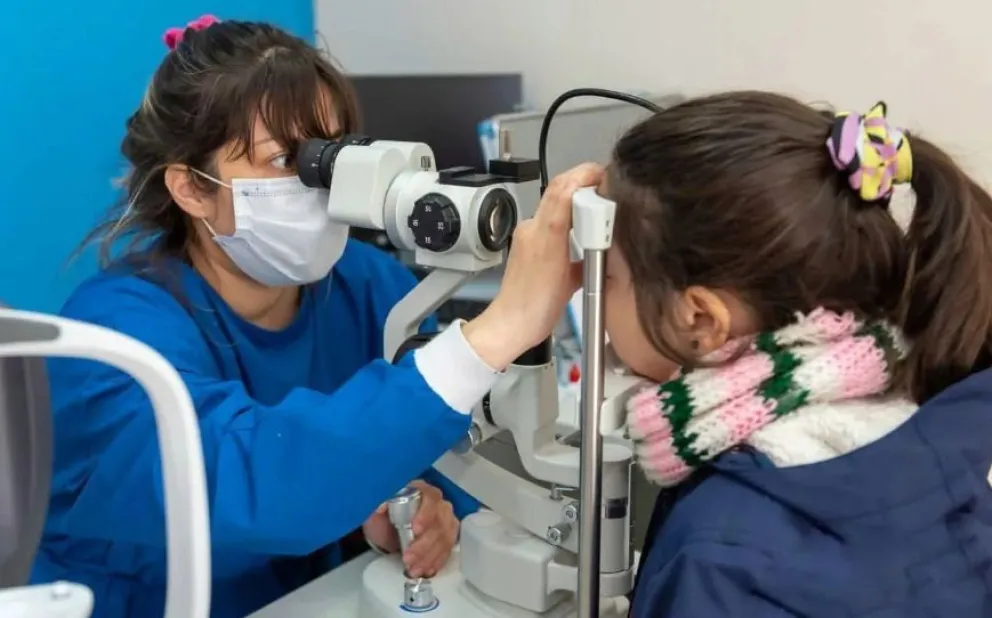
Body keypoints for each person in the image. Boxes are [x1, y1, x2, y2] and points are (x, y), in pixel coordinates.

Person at [32, 15, 597, 618]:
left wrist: (399, 509)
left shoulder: (366, 284)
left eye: (330, 156)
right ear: (193, 190)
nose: (318, 184)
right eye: (284, 161)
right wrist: (500, 329)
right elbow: (256, 483)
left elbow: (439, 446)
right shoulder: (112, 341)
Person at [602, 93, 992, 616]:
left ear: (699, 320)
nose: (590, 290)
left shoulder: (722, 555)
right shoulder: (926, 430)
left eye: (607, 276)